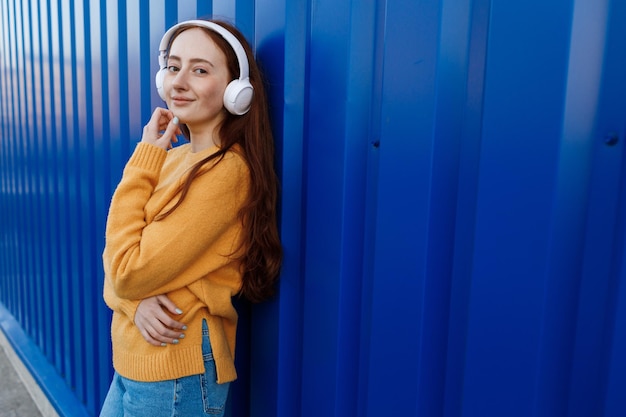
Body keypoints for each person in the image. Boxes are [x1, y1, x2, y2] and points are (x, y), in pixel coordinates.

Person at [99, 18, 282, 417]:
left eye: (199, 70)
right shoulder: (175, 159)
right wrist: (132, 302)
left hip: (176, 372)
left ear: (237, 91)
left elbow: (126, 271)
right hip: (133, 361)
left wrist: (127, 288)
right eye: (174, 66)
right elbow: (117, 259)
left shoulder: (227, 174)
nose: (179, 81)